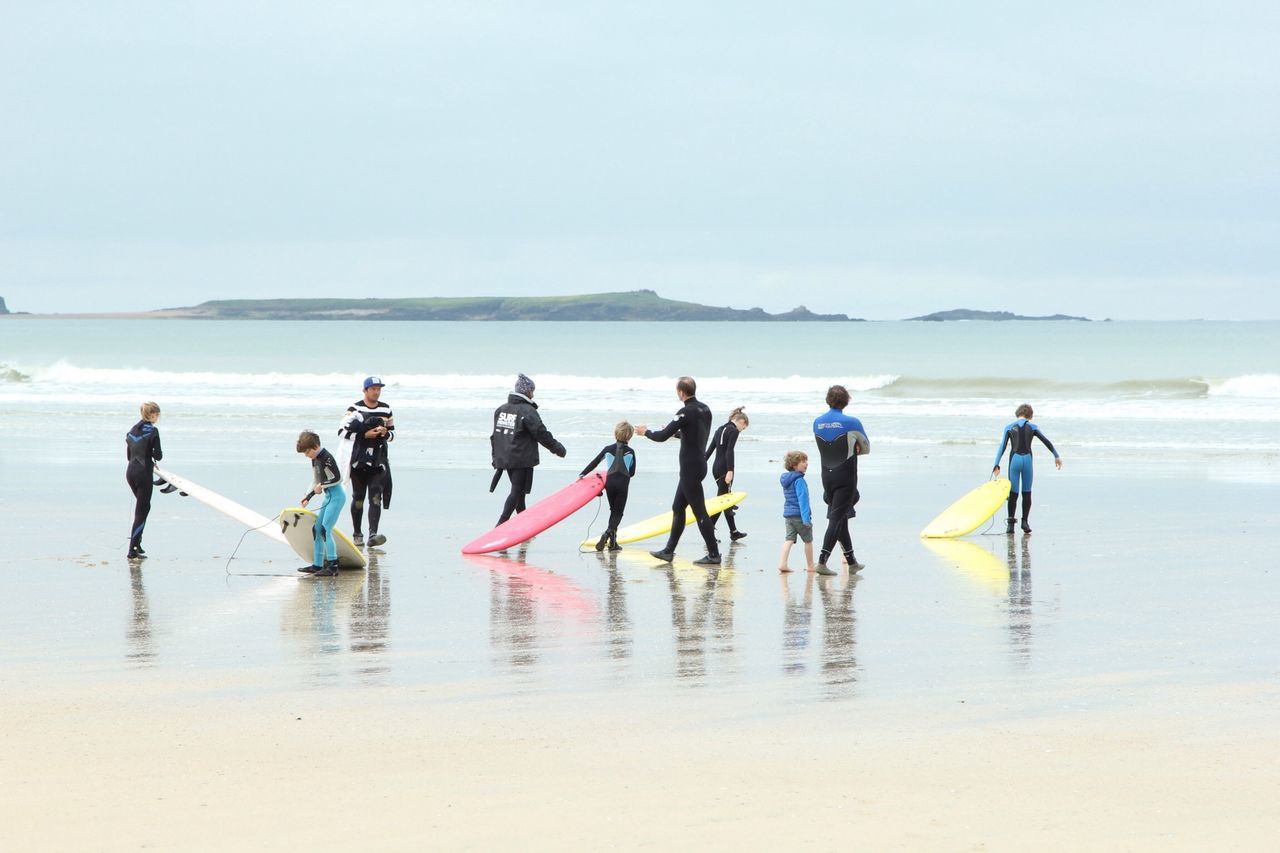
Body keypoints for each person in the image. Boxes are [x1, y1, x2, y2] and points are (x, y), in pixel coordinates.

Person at [635, 376, 720, 566]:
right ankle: (668, 551)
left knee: (700, 512)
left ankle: (714, 554)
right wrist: (676, 432)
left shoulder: (684, 411)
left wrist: (645, 432)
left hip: (690, 467)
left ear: (681, 392)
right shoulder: (705, 409)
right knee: (678, 507)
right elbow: (695, 433)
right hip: (699, 464)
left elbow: (661, 437)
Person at [490, 374, 567, 525]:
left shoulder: (501, 410)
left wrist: (496, 459)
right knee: (517, 491)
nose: (533, 394)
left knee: (519, 493)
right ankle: (500, 525)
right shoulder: (527, 411)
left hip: (506, 457)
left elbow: (495, 437)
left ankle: (524, 525)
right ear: (526, 392)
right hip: (521, 457)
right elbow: (540, 433)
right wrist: (557, 448)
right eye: (532, 390)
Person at [812, 384, 870, 576]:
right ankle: (822, 561)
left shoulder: (817, 422)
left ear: (828, 400)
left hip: (826, 477)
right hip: (846, 476)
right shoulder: (852, 422)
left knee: (840, 516)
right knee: (837, 517)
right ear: (846, 401)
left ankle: (852, 561)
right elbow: (866, 448)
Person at [993, 403, 1062, 534]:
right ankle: (1025, 522)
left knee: (1013, 493)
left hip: (1014, 461)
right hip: (1027, 461)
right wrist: (1056, 456)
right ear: (1030, 415)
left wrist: (996, 464)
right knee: (1027, 492)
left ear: (1017, 413)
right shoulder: (1033, 426)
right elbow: (1046, 441)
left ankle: (1010, 525)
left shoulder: (1009, 427)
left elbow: (1002, 447)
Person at [341, 376, 394, 547]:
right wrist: (365, 435)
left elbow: (392, 436)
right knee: (358, 497)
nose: (377, 392)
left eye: (379, 389)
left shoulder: (387, 409)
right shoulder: (355, 408)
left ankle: (373, 534)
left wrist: (385, 433)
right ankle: (357, 534)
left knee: (376, 496)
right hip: (359, 460)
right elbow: (342, 432)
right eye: (373, 389)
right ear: (365, 390)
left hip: (379, 460)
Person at [579, 421, 638, 552]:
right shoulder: (630, 452)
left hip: (609, 484)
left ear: (615, 433)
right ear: (630, 436)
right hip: (622, 484)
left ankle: (613, 543)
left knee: (613, 510)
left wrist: (582, 473)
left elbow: (594, 462)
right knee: (618, 513)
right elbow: (632, 473)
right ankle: (608, 533)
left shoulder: (608, 449)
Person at [296, 430, 346, 577]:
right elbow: (315, 479)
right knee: (317, 529)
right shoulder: (315, 459)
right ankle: (317, 565)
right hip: (328, 497)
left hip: (337, 496)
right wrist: (308, 495)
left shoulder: (326, 457)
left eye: (307, 452)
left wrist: (322, 486)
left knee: (325, 530)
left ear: (316, 446)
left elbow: (338, 478)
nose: (306, 455)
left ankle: (333, 566)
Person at [125, 401, 163, 559]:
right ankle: (132, 550)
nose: (158, 418)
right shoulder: (153, 431)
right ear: (152, 414)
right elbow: (159, 455)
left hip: (130, 473)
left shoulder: (132, 430)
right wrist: (152, 457)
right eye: (157, 415)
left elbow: (129, 455)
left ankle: (137, 544)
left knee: (143, 509)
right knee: (142, 511)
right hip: (143, 475)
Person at [705, 406, 749, 541]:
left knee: (726, 500)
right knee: (722, 502)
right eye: (744, 427)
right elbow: (729, 451)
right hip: (725, 469)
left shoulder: (719, 429)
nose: (742, 430)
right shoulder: (734, 431)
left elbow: (710, 449)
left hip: (715, 468)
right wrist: (730, 471)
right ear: (741, 421)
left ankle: (733, 532)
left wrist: (701, 463)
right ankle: (708, 530)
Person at [778, 450, 815, 573]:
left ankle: (782, 563)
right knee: (808, 541)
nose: (806, 464)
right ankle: (810, 565)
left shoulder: (786, 480)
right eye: (803, 461)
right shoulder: (799, 480)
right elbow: (803, 500)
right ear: (794, 465)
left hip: (788, 515)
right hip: (800, 516)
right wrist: (806, 519)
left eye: (806, 461)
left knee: (789, 539)